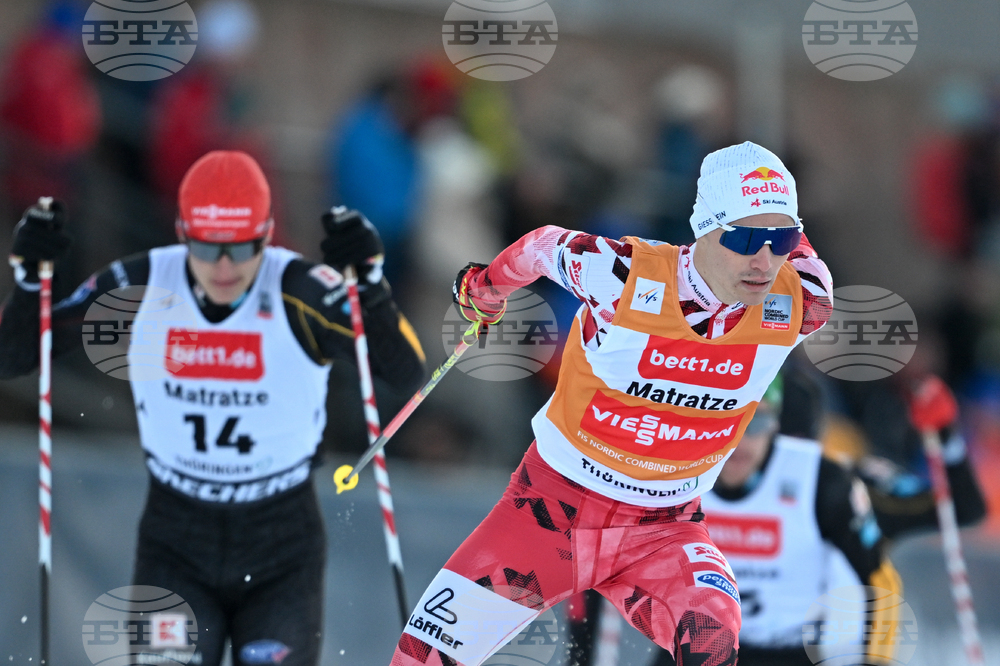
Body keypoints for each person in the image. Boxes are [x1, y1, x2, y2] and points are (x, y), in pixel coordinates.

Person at [388, 141, 833, 666]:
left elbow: (798, 246)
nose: (764, 260)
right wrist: (485, 288)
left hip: (663, 529)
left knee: (712, 635)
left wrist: (780, 217)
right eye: (745, 237)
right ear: (705, 227)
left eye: (779, 238)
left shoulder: (803, 298)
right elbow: (541, 246)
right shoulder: (622, 275)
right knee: (422, 658)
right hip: (551, 514)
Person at [0, 151, 425, 666]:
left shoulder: (302, 292)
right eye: (207, 246)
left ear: (267, 234)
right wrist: (28, 284)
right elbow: (19, 355)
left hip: (280, 544)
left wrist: (371, 288)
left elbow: (405, 372)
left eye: (242, 247)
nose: (224, 266)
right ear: (181, 232)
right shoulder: (143, 287)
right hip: (177, 538)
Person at [653, 368, 903, 666]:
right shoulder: (671, 470)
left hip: (784, 653)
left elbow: (877, 576)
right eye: (727, 424)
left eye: (755, 422)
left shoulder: (819, 479)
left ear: (775, 424)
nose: (739, 443)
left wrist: (874, 660)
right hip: (694, 649)